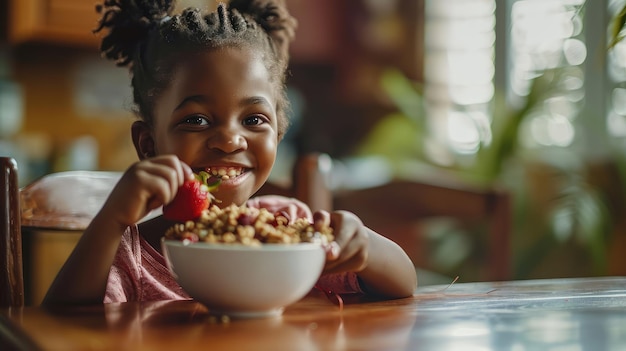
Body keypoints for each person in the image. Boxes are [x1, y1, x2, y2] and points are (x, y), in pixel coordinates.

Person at [42, 0, 417, 306]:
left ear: (279, 134)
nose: (229, 140)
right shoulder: (130, 256)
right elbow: (61, 323)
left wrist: (364, 245)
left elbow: (403, 283)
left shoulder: (289, 228)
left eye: (253, 119)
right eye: (198, 120)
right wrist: (110, 220)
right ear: (149, 145)